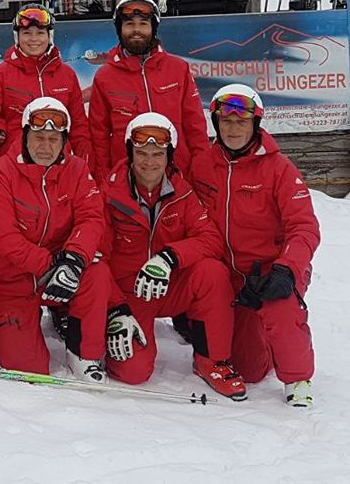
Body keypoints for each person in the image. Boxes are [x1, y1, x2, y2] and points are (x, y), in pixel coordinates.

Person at [99, 113, 247, 400]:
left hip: (168, 284)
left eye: (157, 154)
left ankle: (211, 360)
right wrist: (114, 308)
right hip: (128, 295)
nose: (149, 162)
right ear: (130, 153)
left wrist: (169, 258)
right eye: (141, 153)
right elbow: (98, 259)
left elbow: (211, 239)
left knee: (212, 272)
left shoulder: (182, 192)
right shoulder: (108, 194)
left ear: (170, 156)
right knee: (134, 372)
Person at [190, 84, 319, 408]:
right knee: (250, 369)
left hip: (270, 271)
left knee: (280, 303)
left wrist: (286, 269)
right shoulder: (203, 165)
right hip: (230, 276)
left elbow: (304, 227)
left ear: (255, 124)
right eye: (226, 121)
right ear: (216, 124)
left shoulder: (279, 169)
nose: (234, 129)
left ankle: (297, 379)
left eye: (241, 121)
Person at [0, 97, 112, 381]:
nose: (45, 146)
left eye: (54, 139)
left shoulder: (77, 169)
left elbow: (91, 218)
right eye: (38, 137)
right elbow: (3, 236)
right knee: (27, 366)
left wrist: (74, 259)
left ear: (64, 141)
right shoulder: (2, 171)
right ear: (25, 135)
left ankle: (83, 353)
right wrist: (52, 264)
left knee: (97, 272)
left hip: (63, 269)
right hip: (15, 280)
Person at [88, 0, 209, 180]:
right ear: (119, 29)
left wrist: (201, 169)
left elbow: (195, 126)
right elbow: (99, 135)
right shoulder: (105, 77)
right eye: (129, 24)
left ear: (153, 28)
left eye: (143, 24)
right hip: (126, 180)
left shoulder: (178, 69)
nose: (136, 30)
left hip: (178, 175)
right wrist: (104, 178)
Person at [0, 4, 91, 176]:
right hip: (15, 173)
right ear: (17, 37)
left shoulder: (67, 75)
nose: (33, 39)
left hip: (59, 172)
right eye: (27, 33)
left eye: (40, 33)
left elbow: (79, 129)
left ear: (50, 36)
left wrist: (84, 172)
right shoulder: (0, 75)